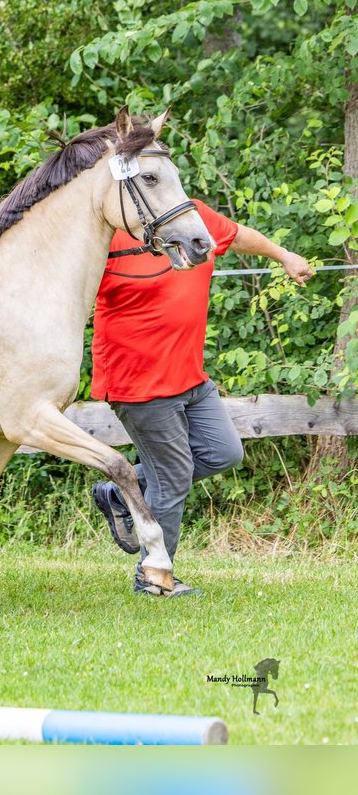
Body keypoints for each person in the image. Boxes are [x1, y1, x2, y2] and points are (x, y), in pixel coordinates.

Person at [91, 197, 314, 595]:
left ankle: (120, 490)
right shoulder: (108, 236)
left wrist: (284, 255)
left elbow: (238, 235)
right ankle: (154, 578)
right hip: (138, 383)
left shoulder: (189, 216)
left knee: (223, 452)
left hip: (190, 377)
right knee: (172, 479)